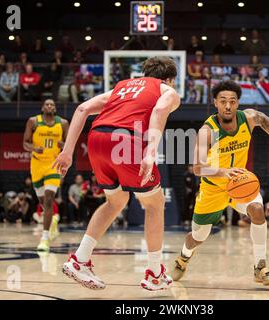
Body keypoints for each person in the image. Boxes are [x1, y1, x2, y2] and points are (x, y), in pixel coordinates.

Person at [52, 56, 181, 291]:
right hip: (126, 141)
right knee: (154, 204)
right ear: (170, 79)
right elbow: (160, 110)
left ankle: (79, 259)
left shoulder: (122, 86)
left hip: (96, 138)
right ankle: (155, 273)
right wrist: (151, 152)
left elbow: (83, 109)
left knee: (116, 200)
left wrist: (67, 151)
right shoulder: (167, 90)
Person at [170, 80, 269, 286]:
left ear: (238, 103)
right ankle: (183, 258)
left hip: (240, 183)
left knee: (257, 209)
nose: (228, 106)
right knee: (198, 236)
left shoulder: (248, 118)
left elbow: (264, 119)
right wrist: (223, 172)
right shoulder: (206, 131)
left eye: (232, 101)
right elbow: (197, 168)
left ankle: (260, 267)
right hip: (213, 189)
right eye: (223, 101)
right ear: (216, 103)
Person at [23, 99, 69, 251]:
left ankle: (44, 238)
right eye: (47, 104)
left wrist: (65, 146)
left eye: (52, 105)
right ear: (42, 108)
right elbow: (25, 143)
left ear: (55, 109)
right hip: (37, 165)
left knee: (49, 200)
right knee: (43, 203)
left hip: (53, 165)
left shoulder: (62, 123)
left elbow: (69, 143)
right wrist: (34, 149)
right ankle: (54, 220)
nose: (49, 106)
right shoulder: (33, 121)